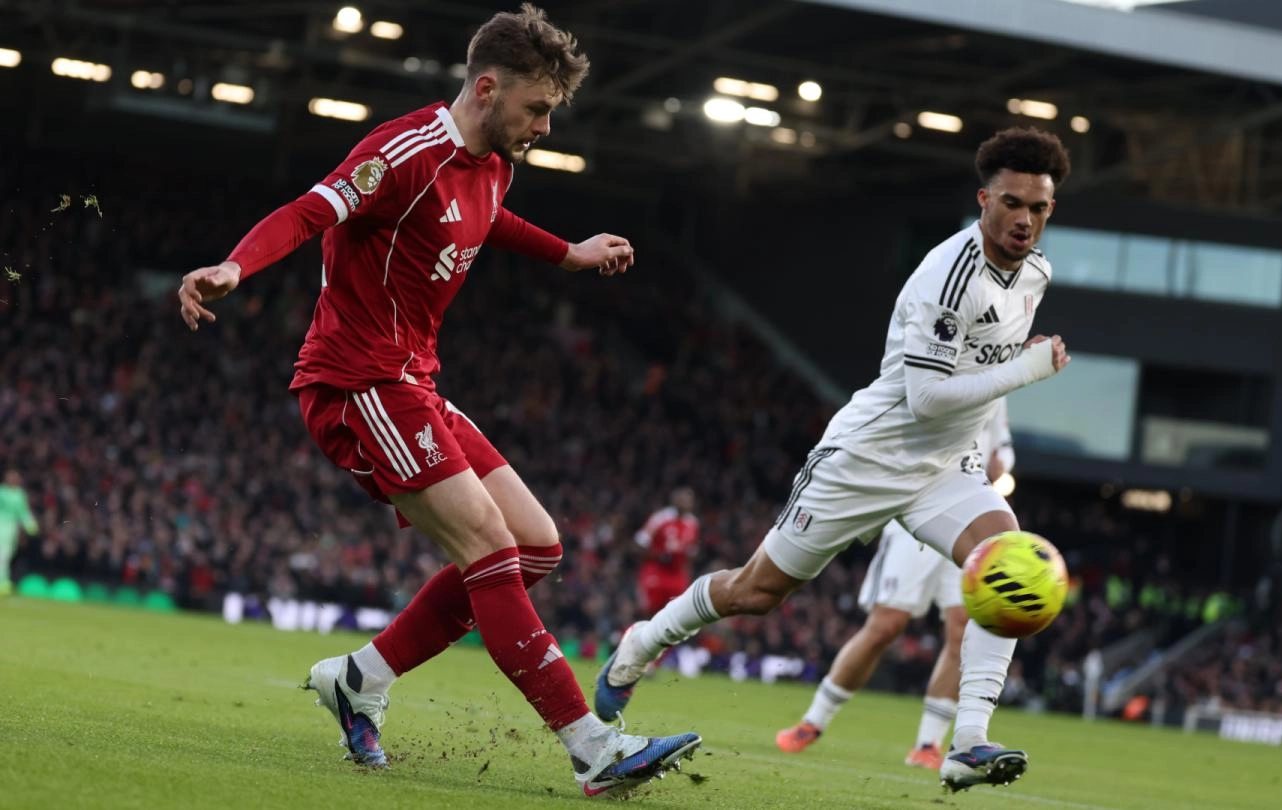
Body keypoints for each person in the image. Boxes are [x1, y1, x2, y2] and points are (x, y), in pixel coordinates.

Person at [176, 4, 698, 798]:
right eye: (536, 109)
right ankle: (592, 747)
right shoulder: (401, 151)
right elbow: (309, 211)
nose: (546, 128)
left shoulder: (494, 161)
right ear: (485, 89)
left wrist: (567, 254)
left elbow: (487, 222)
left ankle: (360, 676)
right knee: (491, 553)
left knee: (537, 548)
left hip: (413, 381)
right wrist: (234, 269)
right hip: (356, 384)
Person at [595, 127, 1070, 793]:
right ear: (984, 198)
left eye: (1040, 208)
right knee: (756, 592)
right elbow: (929, 397)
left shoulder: (1036, 274)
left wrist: (1007, 410)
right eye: (1013, 203)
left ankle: (965, 743)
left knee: (1007, 564)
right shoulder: (949, 276)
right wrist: (1025, 370)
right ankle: (641, 643)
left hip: (945, 467)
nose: (1026, 220)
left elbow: (977, 386)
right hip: (868, 456)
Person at [776, 399, 1015, 769]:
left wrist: (1003, 464)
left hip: (969, 510)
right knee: (886, 625)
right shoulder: (937, 363)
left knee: (961, 630)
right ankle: (814, 720)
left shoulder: (998, 378)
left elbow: (1001, 444)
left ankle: (928, 744)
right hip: (920, 506)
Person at [636, 487, 701, 616]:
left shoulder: (693, 523)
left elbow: (692, 551)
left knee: (677, 616)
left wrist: (685, 563)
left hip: (677, 574)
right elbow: (639, 544)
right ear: (674, 500)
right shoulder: (660, 519)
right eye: (683, 499)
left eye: (689, 500)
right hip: (657, 571)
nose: (686, 503)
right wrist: (658, 556)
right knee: (650, 613)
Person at [0, 469, 40, 596]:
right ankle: (3, 582)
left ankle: (3, 582)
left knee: (5, 557)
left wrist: (30, 525)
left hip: (10, 530)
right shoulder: (1, 492)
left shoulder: (19, 495)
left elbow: (23, 512)